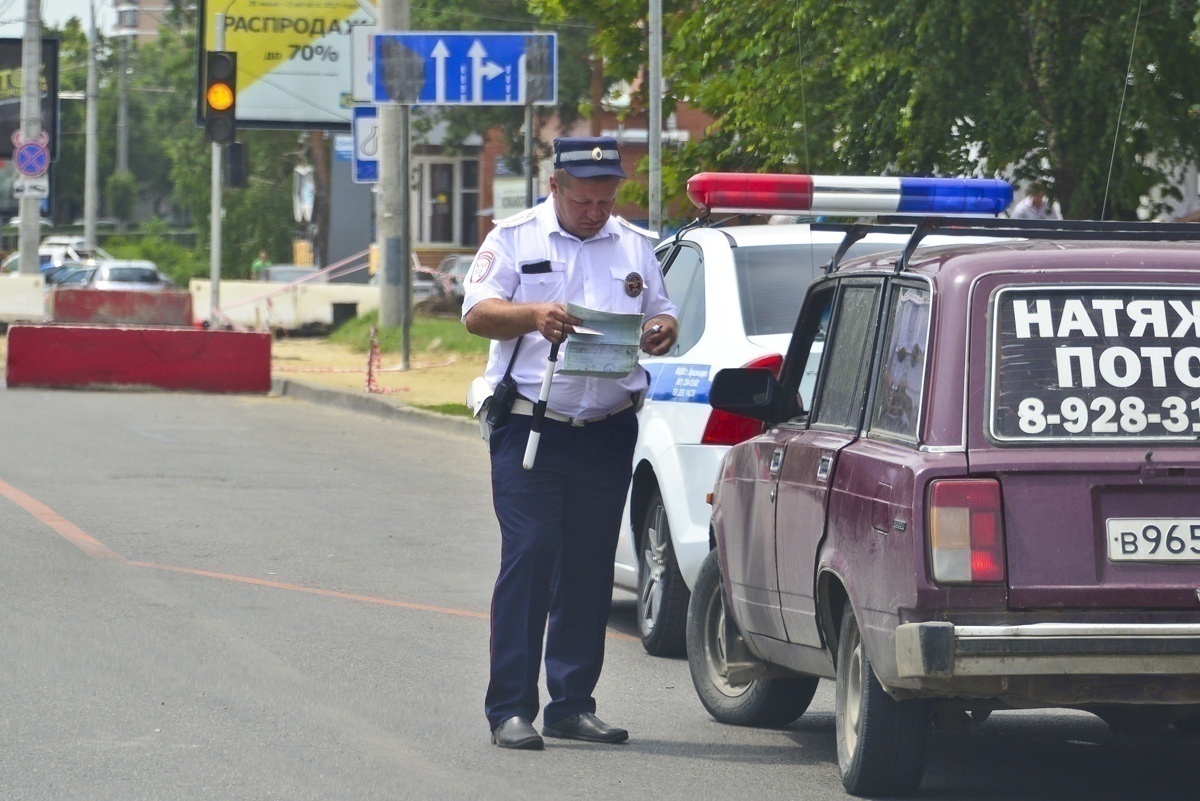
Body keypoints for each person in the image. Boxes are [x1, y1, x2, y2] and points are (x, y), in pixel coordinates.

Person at [462, 136, 678, 751]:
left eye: (604, 200)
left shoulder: (635, 244)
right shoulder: (513, 237)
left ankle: (571, 704)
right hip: (531, 427)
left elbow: (661, 312)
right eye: (582, 199)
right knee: (531, 557)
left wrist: (662, 329)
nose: (594, 211)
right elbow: (476, 312)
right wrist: (531, 315)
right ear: (555, 186)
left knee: (588, 567)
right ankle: (509, 708)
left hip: (606, 430)